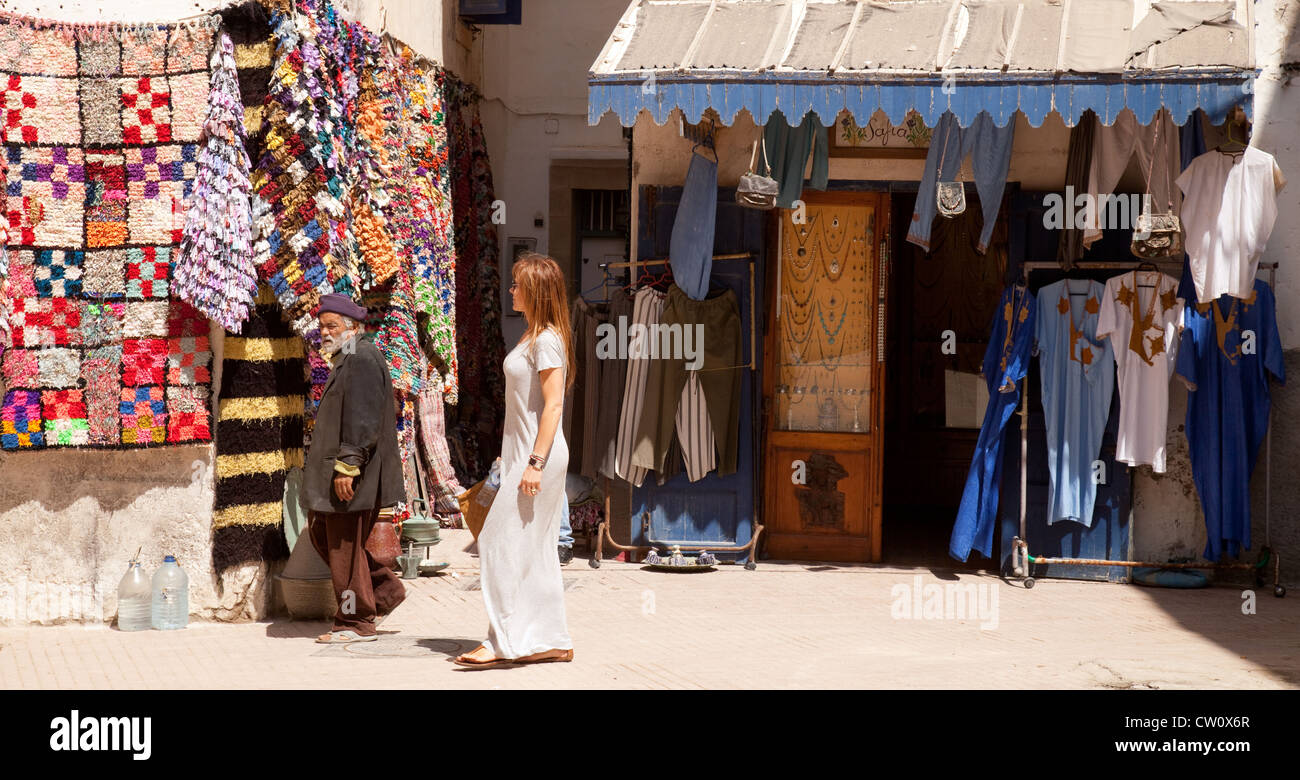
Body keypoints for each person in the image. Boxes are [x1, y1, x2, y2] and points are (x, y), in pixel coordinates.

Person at [455, 252, 575, 667]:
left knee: (497, 542)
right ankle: (551, 639)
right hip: (521, 456)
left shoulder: (546, 341)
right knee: (532, 550)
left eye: (517, 284)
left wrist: (534, 463)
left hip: (538, 457)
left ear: (535, 291)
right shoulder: (532, 335)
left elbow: (554, 406)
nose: (511, 290)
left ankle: (502, 640)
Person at [303, 294, 407, 643]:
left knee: (343, 547)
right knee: (326, 537)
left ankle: (355, 621)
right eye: (322, 326)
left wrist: (348, 465)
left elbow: (363, 418)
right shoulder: (348, 357)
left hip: (353, 473)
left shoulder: (361, 357)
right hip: (347, 470)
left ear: (353, 327)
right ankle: (382, 593)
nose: (326, 332)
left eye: (333, 326)